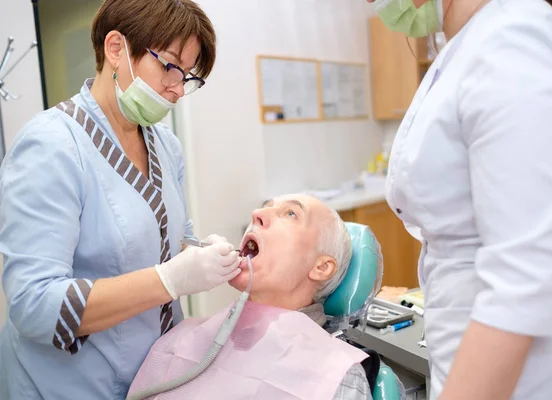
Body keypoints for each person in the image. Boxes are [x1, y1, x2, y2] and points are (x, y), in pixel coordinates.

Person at [0, 1, 242, 398]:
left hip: (150, 372)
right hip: (67, 384)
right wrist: (171, 280)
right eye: (169, 66)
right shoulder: (51, 146)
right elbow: (34, 304)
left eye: (188, 76)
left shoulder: (165, 144)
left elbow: (172, 236)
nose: (179, 89)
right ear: (116, 50)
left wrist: (204, 253)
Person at [369, 0, 552, 398]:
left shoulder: (512, 39)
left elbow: (527, 277)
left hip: (531, 371)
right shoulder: (465, 47)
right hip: (470, 343)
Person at [127, 194, 374, 400]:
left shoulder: (337, 377)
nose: (257, 213)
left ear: (321, 267)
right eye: (266, 207)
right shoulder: (180, 340)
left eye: (291, 214)